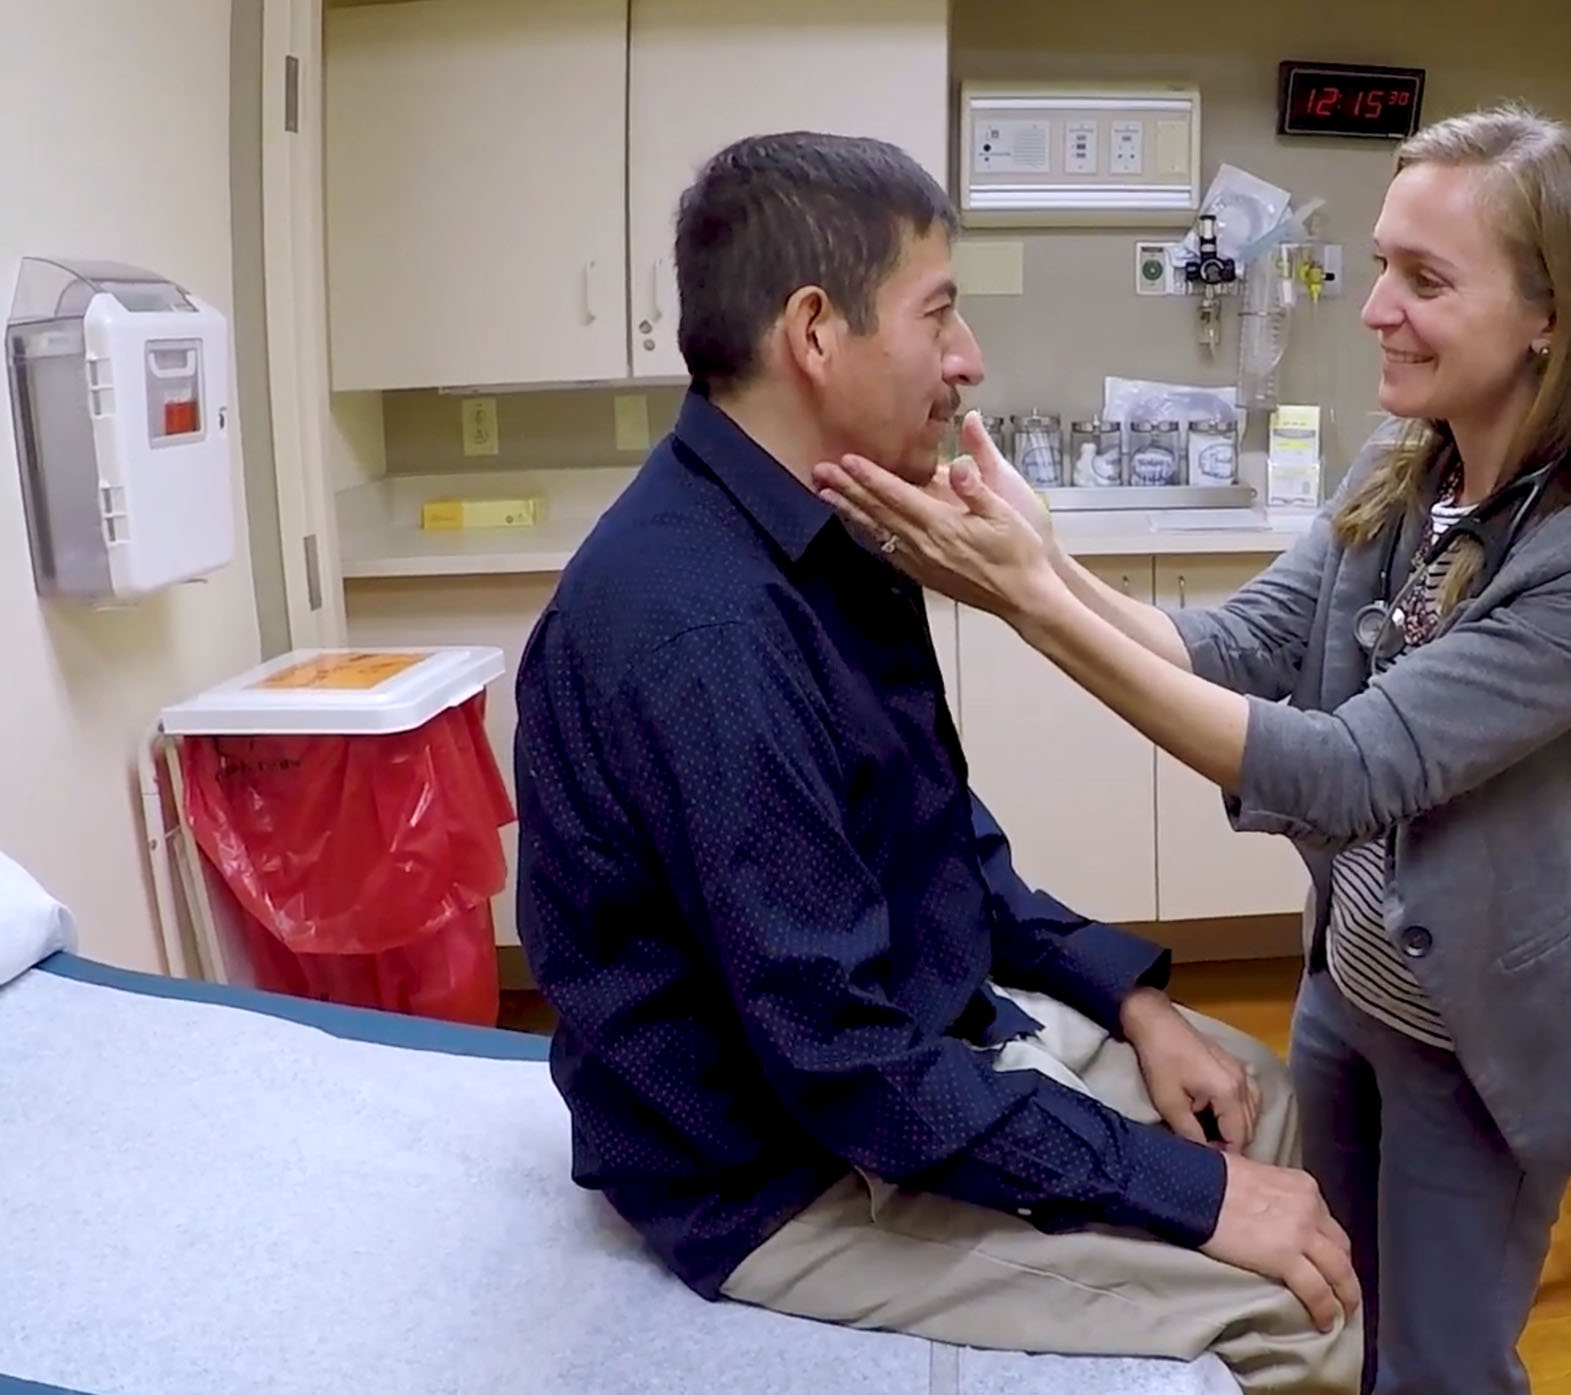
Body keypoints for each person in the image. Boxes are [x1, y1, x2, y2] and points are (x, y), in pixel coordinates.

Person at [812, 103, 1571, 1394]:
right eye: (1382, 265)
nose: (1374, 309)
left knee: (1442, 1365)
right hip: (1347, 993)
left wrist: (1026, 598)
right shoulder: (1403, 470)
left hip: (1484, 1035)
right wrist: (1047, 553)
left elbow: (1348, 765)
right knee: (1337, 1310)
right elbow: (1233, 647)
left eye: (1426, 278)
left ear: (1550, 316)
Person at [509, 130, 1362, 1393]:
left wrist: (1129, 999)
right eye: (940, 313)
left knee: (1250, 1097)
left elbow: (939, 840)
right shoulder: (701, 631)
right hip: (777, 1169)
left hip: (905, 1043)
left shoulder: (840, 527)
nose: (968, 361)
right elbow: (839, 1061)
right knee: (1297, 1311)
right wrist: (1184, 1198)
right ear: (813, 330)